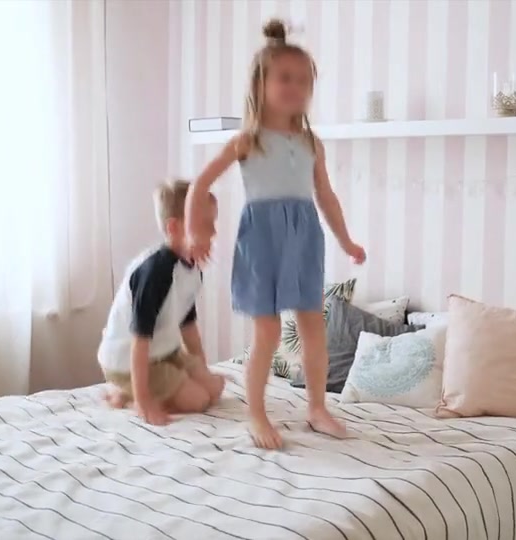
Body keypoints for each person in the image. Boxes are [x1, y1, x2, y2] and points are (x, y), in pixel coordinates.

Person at [185, 19, 365, 449]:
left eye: (303, 80)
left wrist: (346, 240)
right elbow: (199, 184)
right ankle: (257, 414)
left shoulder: (312, 143)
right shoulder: (248, 140)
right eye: (285, 78)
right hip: (261, 240)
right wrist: (195, 233)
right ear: (261, 83)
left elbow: (326, 196)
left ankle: (317, 408)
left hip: (304, 237)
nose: (295, 87)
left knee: (313, 327)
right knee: (266, 332)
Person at [98, 179, 225, 426]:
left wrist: (201, 371)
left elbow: (188, 326)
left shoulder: (192, 267)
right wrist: (144, 402)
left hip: (164, 352)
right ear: (174, 228)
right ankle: (128, 394)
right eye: (205, 224)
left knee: (214, 388)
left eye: (213, 223)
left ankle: (140, 391)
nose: (213, 232)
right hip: (127, 360)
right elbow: (140, 341)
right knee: (198, 400)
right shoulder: (155, 272)